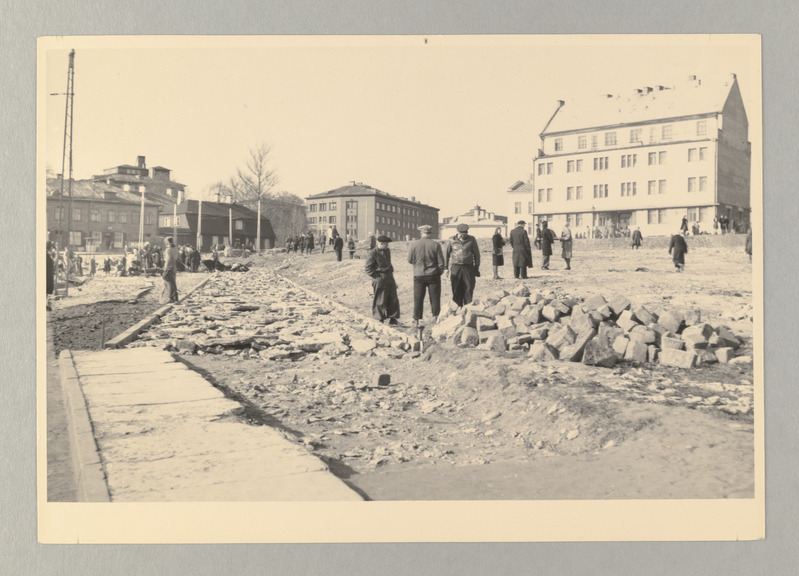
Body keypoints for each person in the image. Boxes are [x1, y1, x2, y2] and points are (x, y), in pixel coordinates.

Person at [407, 224, 445, 326]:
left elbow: (410, 260)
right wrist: (438, 272)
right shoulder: (435, 244)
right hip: (433, 274)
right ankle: (436, 317)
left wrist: (418, 266)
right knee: (435, 297)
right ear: (430, 233)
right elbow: (441, 263)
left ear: (421, 233)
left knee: (418, 297)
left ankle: (417, 319)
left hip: (419, 274)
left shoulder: (414, 244)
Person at [364, 235, 400, 324]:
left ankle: (393, 318)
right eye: (386, 244)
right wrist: (377, 277)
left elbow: (389, 264)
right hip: (379, 277)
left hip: (389, 276)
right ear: (380, 243)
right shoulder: (372, 253)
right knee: (380, 299)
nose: (387, 246)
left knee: (393, 298)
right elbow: (368, 268)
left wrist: (392, 277)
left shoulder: (387, 251)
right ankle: (379, 319)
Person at [445, 223, 480, 307]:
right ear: (458, 232)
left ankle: (468, 306)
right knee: (456, 287)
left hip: (468, 267)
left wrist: (476, 267)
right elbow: (446, 254)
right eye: (462, 233)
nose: (464, 235)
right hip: (456, 267)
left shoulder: (472, 239)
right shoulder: (451, 240)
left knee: (469, 287)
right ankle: (457, 307)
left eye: (465, 232)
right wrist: (446, 268)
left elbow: (477, 254)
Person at [162, 237, 180, 303]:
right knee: (173, 282)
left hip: (169, 267)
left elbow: (168, 259)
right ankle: (175, 297)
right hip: (174, 267)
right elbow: (178, 258)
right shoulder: (175, 249)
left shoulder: (168, 250)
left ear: (167, 242)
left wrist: (165, 268)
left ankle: (171, 297)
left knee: (169, 282)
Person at [46, 241, 55, 310]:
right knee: (45, 290)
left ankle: (45, 304)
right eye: (52, 247)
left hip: (48, 275)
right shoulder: (46, 255)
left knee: (46, 290)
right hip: (47, 275)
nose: (52, 248)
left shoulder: (48, 254)